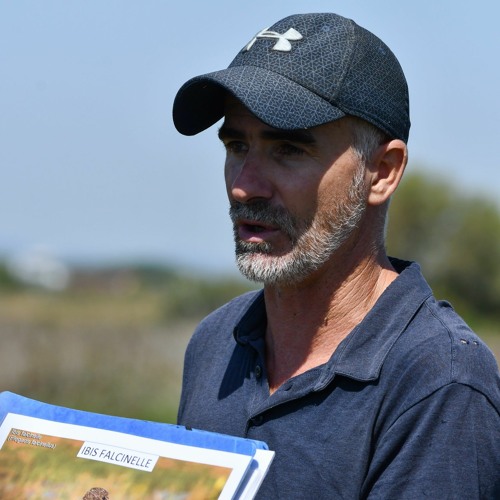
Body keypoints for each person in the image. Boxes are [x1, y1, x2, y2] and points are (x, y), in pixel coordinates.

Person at [172, 13, 500, 498]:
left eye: (287, 149)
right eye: (237, 145)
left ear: (382, 171)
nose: (244, 185)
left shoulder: (440, 383)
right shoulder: (216, 345)